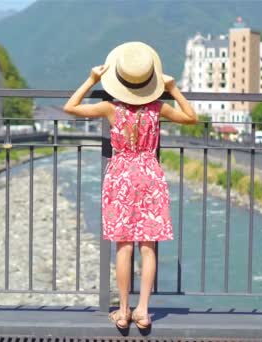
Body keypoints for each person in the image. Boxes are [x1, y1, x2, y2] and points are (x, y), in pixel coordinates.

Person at [63, 41, 197, 330]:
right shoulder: (159, 109)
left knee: (123, 247)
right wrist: (172, 89)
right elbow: (191, 117)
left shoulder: (110, 108)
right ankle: (144, 311)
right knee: (148, 247)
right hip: (150, 174)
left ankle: (123, 312)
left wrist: (91, 79)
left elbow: (70, 107)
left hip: (120, 176)